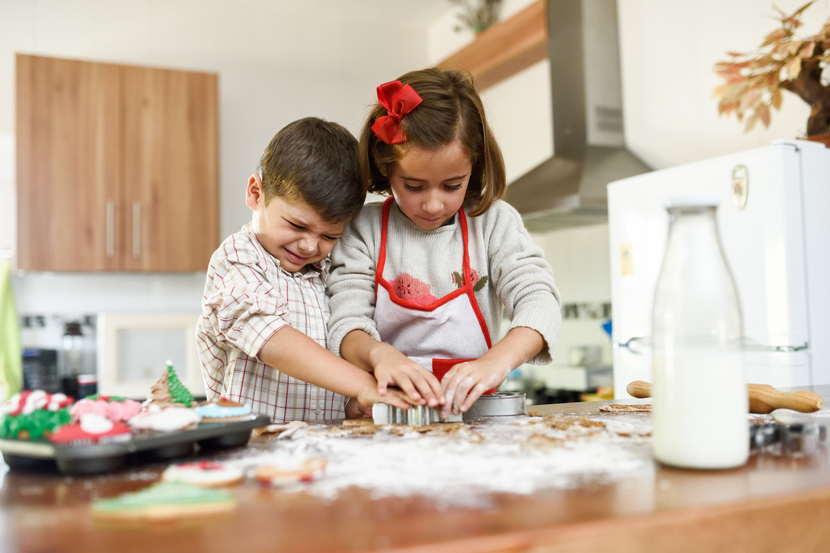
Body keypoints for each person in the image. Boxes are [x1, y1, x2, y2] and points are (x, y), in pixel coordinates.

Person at [327, 69, 561, 419]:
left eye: (452, 185)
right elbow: (346, 323)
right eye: (414, 185)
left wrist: (495, 363)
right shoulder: (365, 229)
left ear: (474, 166)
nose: (433, 204)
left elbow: (539, 301)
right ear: (384, 165)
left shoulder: (493, 223)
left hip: (476, 416)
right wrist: (380, 356)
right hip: (389, 414)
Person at [197, 117, 410, 423]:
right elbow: (272, 340)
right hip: (256, 451)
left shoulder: (331, 271)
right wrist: (363, 385)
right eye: (297, 225)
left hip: (324, 455)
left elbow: (329, 387)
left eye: (329, 236)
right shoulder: (238, 258)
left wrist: (353, 405)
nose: (310, 246)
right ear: (256, 193)